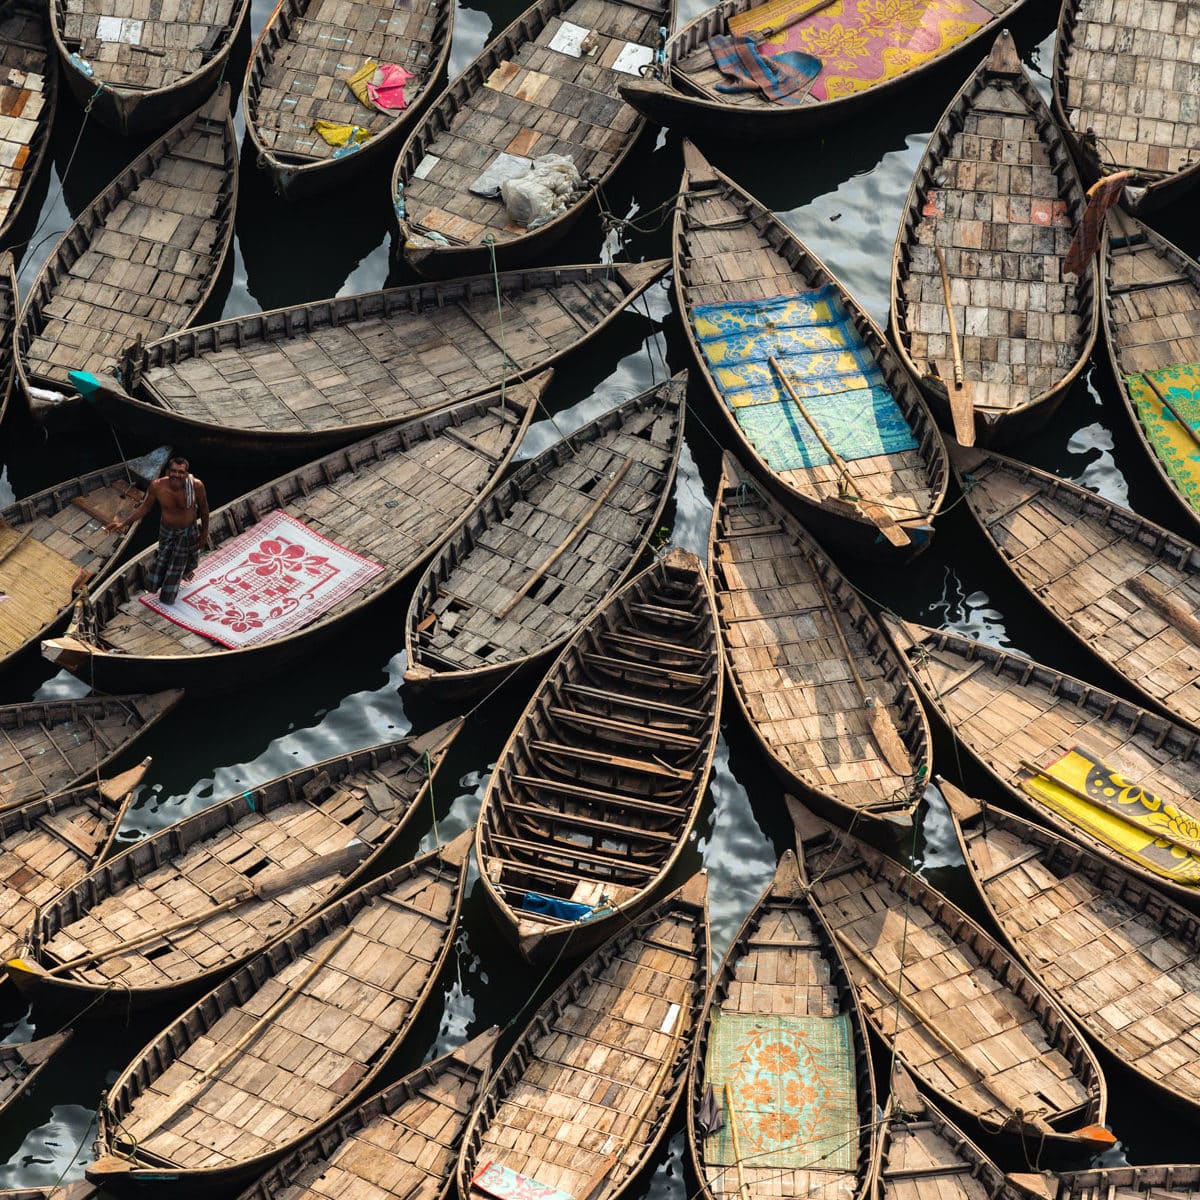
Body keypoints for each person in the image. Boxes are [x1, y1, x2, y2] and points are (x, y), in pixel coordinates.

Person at [106, 456, 210, 605]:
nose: (177, 475)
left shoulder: (196, 486)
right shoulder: (157, 486)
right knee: (163, 559)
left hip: (187, 531)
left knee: (179, 566)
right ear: (167, 471)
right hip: (166, 531)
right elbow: (145, 507)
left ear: (186, 474)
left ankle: (167, 597)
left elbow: (204, 509)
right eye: (173, 471)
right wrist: (123, 523)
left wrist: (204, 533)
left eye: (181, 472)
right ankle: (159, 583)